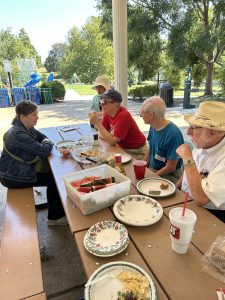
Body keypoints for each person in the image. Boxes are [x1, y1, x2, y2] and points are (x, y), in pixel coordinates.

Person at [0, 100, 67, 226]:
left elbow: (42, 137)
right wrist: (48, 142)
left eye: (37, 114)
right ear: (22, 116)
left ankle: (54, 205)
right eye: (34, 115)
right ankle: (55, 218)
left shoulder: (25, 127)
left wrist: (46, 141)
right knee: (54, 179)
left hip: (17, 170)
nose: (37, 117)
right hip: (12, 176)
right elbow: (44, 150)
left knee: (52, 176)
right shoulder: (18, 134)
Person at [176, 101, 225, 223]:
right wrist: (174, 188)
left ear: (212, 131)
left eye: (193, 127)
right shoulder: (204, 143)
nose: (187, 132)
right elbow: (191, 172)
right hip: (186, 201)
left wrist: (187, 157)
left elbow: (202, 198)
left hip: (213, 216)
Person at [89, 89, 147, 160]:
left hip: (137, 151)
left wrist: (97, 123)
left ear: (116, 104)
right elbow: (100, 134)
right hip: (122, 149)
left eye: (104, 102)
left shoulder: (124, 115)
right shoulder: (108, 113)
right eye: (101, 101)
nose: (101, 104)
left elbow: (111, 141)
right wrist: (109, 136)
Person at [140, 96, 184, 183]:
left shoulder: (172, 134)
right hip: (154, 169)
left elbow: (171, 167)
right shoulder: (153, 126)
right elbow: (151, 149)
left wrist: (153, 177)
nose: (141, 115)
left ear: (151, 114)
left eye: (142, 113)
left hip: (169, 174)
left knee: (144, 187)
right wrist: (142, 165)